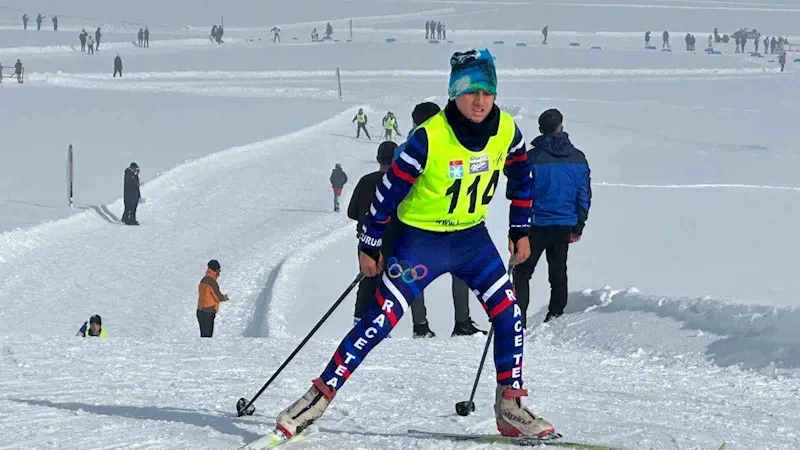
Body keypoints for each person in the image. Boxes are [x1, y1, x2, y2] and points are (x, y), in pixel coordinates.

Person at [274, 48, 556, 440]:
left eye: (487, 92)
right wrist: (370, 243)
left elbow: (522, 175)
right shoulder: (428, 137)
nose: (479, 101)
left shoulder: (508, 130)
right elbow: (388, 193)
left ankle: (510, 406)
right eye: (471, 91)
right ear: (454, 93)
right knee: (378, 322)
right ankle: (317, 398)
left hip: (472, 241)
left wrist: (520, 228)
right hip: (419, 244)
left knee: (509, 314)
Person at [392, 101, 487, 338]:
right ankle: (462, 322)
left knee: (414, 273)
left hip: (417, 222)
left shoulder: (403, 150)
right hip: (454, 218)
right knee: (461, 271)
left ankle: (420, 325)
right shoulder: (453, 145)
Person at [513, 109, 591, 327]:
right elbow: (584, 194)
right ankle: (555, 315)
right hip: (564, 223)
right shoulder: (578, 157)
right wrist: (578, 225)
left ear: (540, 129)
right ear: (561, 127)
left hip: (536, 225)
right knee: (558, 271)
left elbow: (521, 193)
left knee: (522, 272)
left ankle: (519, 318)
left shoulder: (531, 158)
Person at [197, 260, 229, 337]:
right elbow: (217, 297)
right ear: (215, 271)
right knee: (207, 337)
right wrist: (224, 298)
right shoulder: (212, 282)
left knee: (203, 336)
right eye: (219, 271)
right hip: (208, 311)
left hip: (200, 310)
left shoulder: (204, 279)